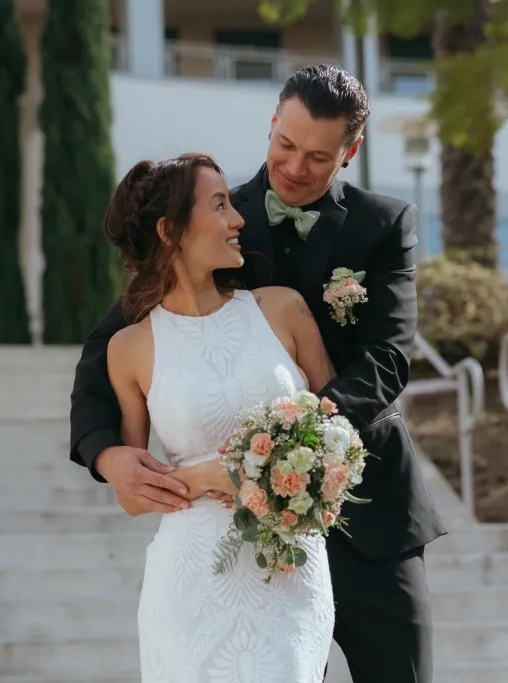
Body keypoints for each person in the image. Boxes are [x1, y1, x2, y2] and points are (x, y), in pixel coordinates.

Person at [71, 65, 446, 683]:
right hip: (243, 542)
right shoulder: (215, 219)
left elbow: (387, 359)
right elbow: (102, 352)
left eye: (318, 156)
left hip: (370, 516)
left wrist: (294, 447)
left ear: (350, 152)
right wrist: (106, 454)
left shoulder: (383, 225)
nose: (295, 167)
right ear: (272, 123)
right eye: (286, 144)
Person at [104, 152, 336, 680]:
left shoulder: (283, 309)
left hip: (289, 572)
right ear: (171, 232)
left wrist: (260, 474)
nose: (237, 220)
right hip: (190, 578)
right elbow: (131, 496)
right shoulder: (129, 348)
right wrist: (207, 477)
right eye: (219, 205)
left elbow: (338, 431)